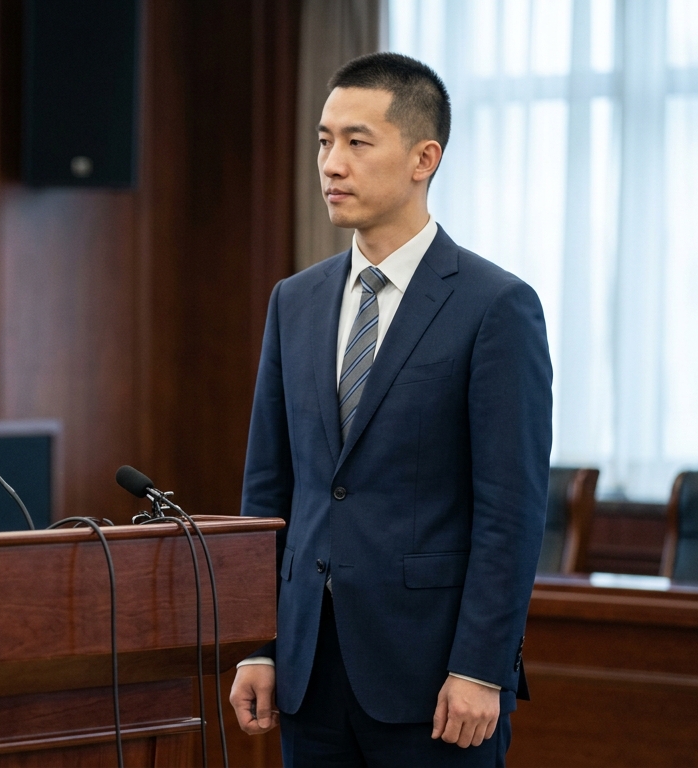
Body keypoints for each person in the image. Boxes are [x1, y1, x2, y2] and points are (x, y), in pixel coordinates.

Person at [228, 52, 551, 766]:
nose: (331, 164)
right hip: (310, 671)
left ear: (423, 158)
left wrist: (480, 666)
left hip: (435, 679)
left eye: (356, 141)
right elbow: (268, 494)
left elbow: (512, 511)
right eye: (323, 140)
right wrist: (257, 645)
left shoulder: (496, 307)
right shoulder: (295, 301)